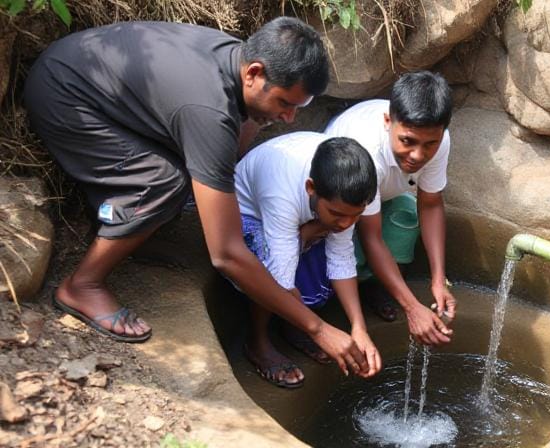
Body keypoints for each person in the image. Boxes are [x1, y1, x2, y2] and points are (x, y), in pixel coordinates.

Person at [25, 17, 372, 376]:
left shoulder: (233, 61)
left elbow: (228, 148)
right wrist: (319, 329)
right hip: (63, 97)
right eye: (284, 103)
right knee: (164, 183)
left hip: (83, 78)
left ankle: (131, 228)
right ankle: (83, 284)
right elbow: (226, 254)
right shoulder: (208, 110)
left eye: (298, 107)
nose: (288, 117)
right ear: (254, 73)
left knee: (193, 174)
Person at [234, 132, 381, 388]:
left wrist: (359, 328)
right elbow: (278, 280)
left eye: (356, 215)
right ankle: (258, 342)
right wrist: (320, 330)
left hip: (301, 219)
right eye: (337, 213)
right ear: (311, 188)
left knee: (327, 242)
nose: (347, 223)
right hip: (247, 213)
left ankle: (292, 325)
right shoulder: (281, 192)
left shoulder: (350, 189)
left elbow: (341, 256)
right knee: (267, 270)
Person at [324, 71, 457, 346]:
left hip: (383, 195)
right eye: (407, 141)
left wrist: (438, 280)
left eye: (430, 144)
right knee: (347, 248)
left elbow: (431, 203)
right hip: (342, 199)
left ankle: (375, 286)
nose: (418, 155)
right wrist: (412, 307)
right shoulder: (367, 150)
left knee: (406, 219)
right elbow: (371, 237)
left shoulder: (439, 140)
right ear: (388, 122)